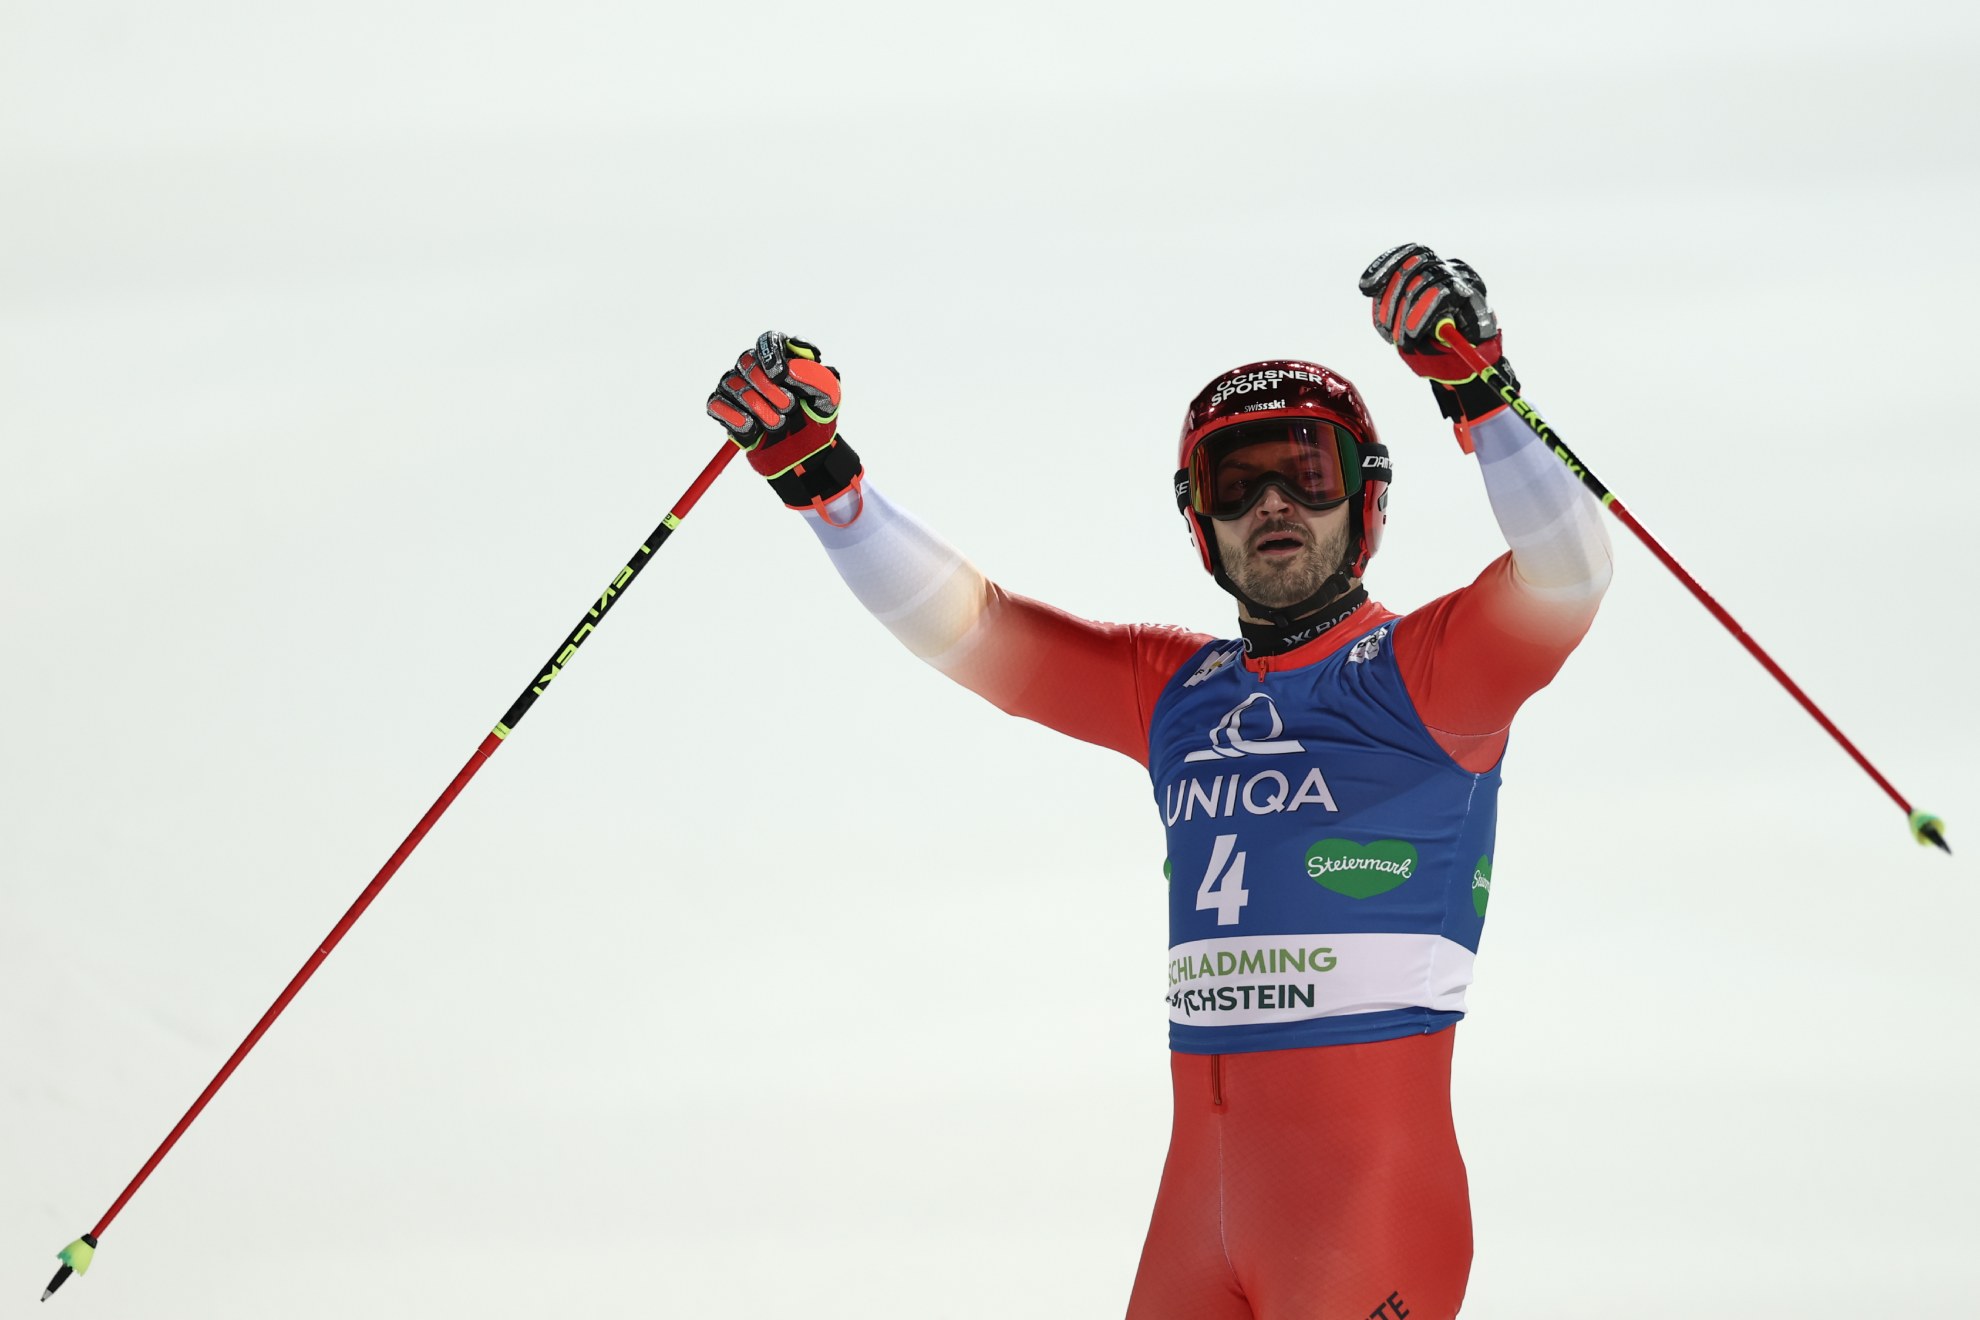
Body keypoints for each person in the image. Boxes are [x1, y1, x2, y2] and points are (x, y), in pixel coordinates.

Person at [704, 245, 1613, 1320]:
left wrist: (1478, 393)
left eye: (1307, 471)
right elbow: (974, 633)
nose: (1273, 501)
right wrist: (823, 483)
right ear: (1201, 522)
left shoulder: (1428, 676)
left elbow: (1569, 576)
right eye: (1237, 482)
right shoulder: (1176, 693)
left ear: (1365, 500)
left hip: (1362, 1212)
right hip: (1197, 1215)